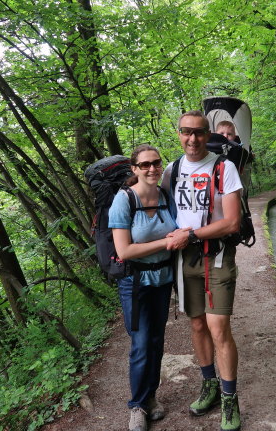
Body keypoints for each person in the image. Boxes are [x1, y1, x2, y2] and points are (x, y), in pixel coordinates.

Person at [163, 110, 243, 431]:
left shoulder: (224, 168)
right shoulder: (172, 169)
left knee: (218, 328)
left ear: (207, 135)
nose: (192, 139)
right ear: (179, 134)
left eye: (198, 132)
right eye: (186, 132)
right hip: (184, 261)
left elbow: (232, 222)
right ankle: (208, 384)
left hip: (217, 257)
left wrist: (191, 234)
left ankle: (229, 398)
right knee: (197, 326)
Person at [109, 144, 190, 431]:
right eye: (144, 165)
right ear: (134, 169)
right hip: (135, 283)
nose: (152, 168)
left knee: (156, 341)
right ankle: (137, 406)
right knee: (142, 343)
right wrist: (167, 242)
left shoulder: (166, 196)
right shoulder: (124, 200)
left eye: (156, 163)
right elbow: (125, 251)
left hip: (162, 280)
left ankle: (151, 398)